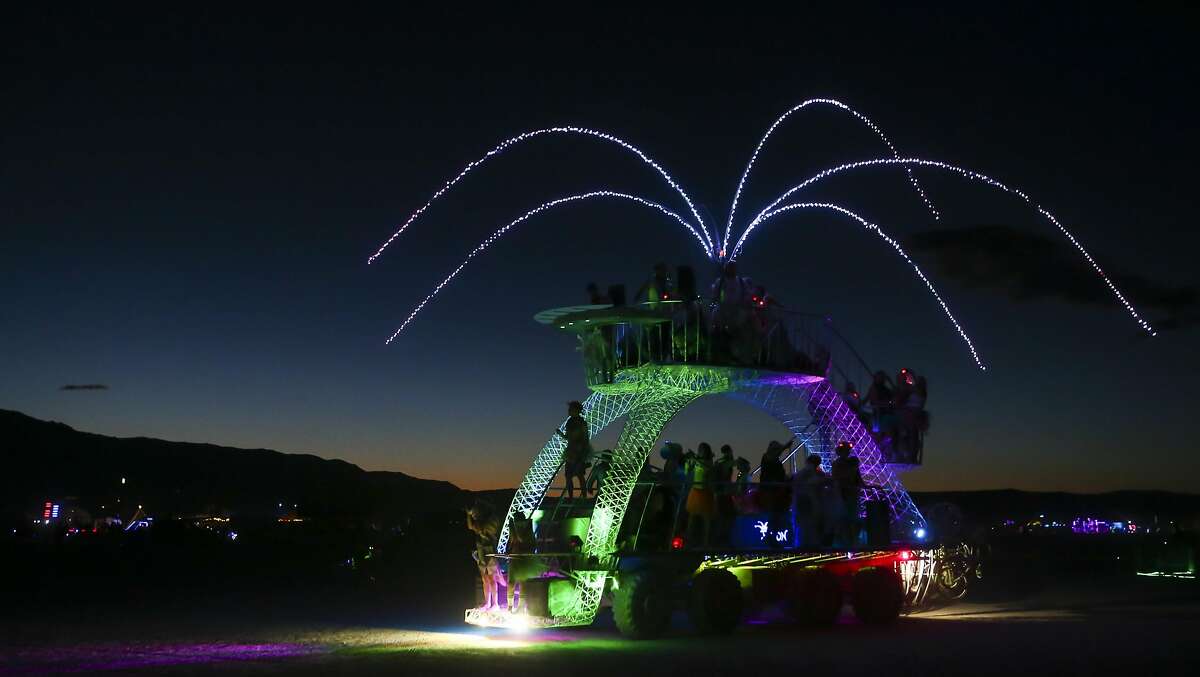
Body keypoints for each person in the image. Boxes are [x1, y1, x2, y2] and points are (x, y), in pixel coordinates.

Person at [466, 500, 505, 610]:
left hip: (489, 554)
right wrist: (469, 515)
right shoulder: (480, 523)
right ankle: (487, 602)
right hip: (481, 553)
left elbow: (477, 528)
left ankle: (495, 604)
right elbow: (471, 526)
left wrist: (471, 516)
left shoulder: (490, 522)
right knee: (485, 579)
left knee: (492, 579)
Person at [554, 401, 591, 499]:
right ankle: (571, 497)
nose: (569, 411)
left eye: (570, 409)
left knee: (578, 475)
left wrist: (584, 450)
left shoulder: (581, 422)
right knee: (569, 475)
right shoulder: (570, 422)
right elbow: (568, 437)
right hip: (571, 451)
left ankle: (583, 497)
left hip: (578, 451)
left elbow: (585, 438)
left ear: (576, 411)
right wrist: (560, 434)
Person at [830, 442, 864, 547]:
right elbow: (838, 478)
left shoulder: (851, 463)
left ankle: (852, 540)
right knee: (843, 519)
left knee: (851, 518)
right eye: (844, 450)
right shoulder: (837, 464)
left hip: (851, 495)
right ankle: (844, 541)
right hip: (842, 495)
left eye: (847, 450)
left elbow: (858, 479)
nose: (846, 452)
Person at [684, 443, 717, 547]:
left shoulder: (709, 461)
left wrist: (695, 459)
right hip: (695, 491)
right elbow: (687, 472)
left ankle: (706, 543)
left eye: (702, 450)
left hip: (705, 492)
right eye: (699, 450)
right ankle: (689, 541)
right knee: (692, 517)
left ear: (706, 451)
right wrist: (688, 463)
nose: (700, 452)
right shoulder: (696, 461)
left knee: (706, 519)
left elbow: (708, 469)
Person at [792, 455, 828, 546]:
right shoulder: (817, 475)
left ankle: (803, 544)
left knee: (804, 526)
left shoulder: (801, 474)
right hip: (809, 502)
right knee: (809, 526)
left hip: (806, 502)